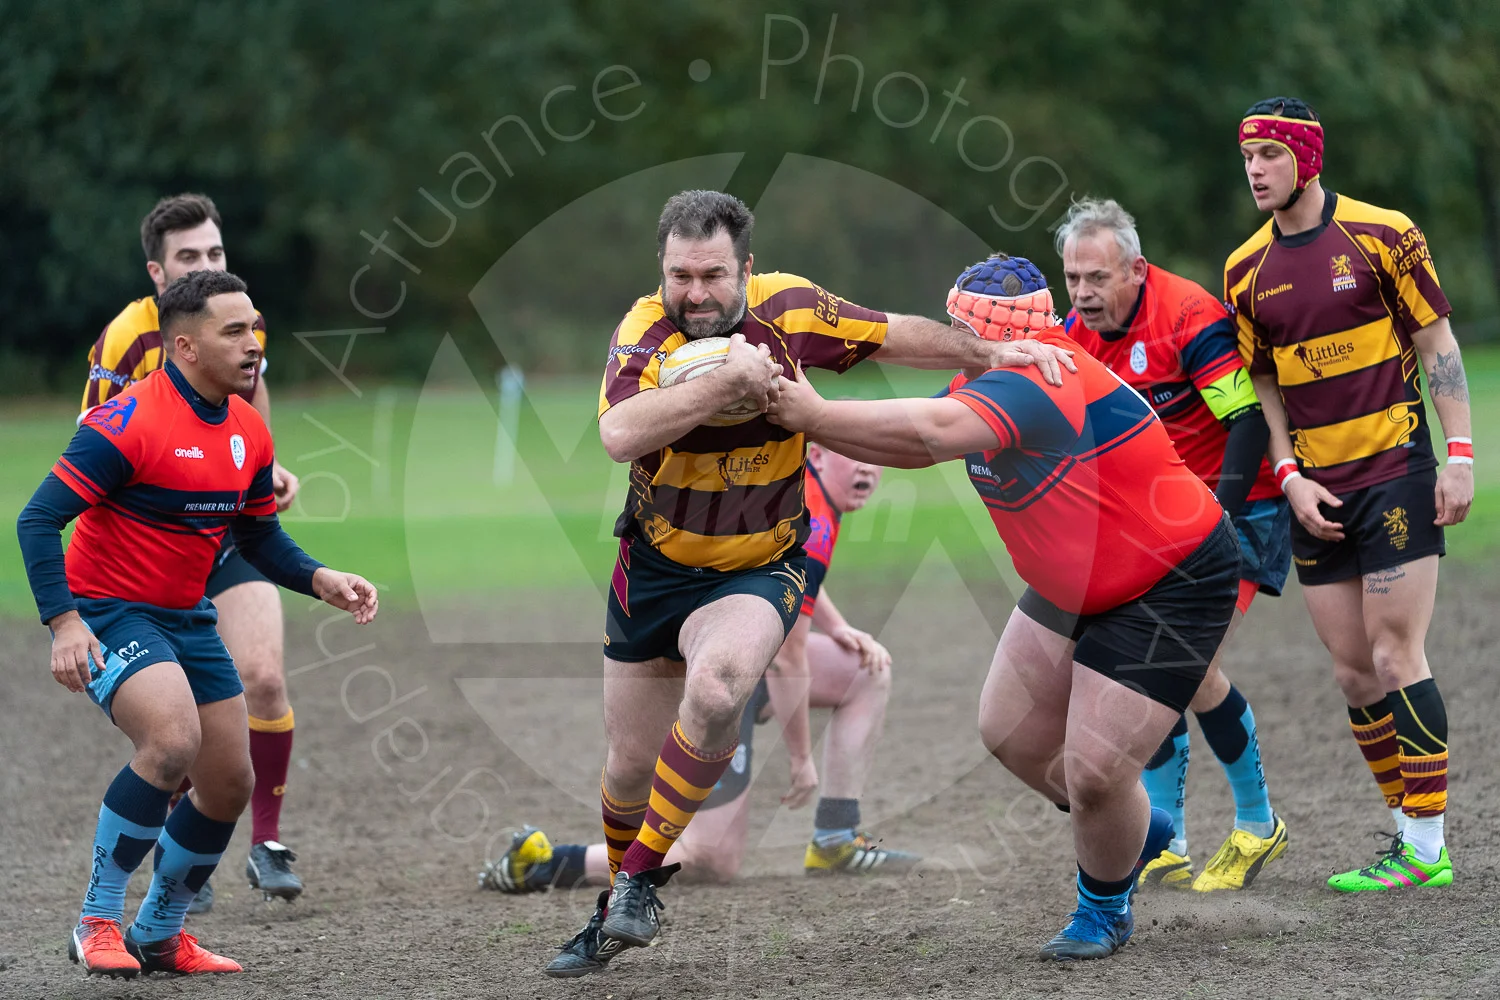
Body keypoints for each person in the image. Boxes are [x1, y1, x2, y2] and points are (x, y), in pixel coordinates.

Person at [546, 189, 1074, 978]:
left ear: (746, 270)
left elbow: (897, 333)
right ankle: (619, 897)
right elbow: (621, 434)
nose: (694, 293)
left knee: (721, 689)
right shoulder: (643, 332)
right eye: (679, 275)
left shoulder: (790, 309)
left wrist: (988, 354)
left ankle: (633, 887)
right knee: (626, 768)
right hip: (653, 570)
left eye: (713, 275)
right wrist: (721, 384)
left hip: (762, 563)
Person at [767, 253, 1241, 961]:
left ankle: (1103, 907)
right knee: (1010, 732)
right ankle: (1131, 832)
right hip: (1074, 580)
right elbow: (922, 418)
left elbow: (927, 439)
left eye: (961, 326)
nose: (957, 338)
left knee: (1093, 770)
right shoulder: (991, 373)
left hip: (1169, 576)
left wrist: (813, 416)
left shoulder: (1039, 378)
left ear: (981, 327)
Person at [16, 270, 378, 978]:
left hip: (187, 616)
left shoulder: (246, 429)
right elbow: (37, 520)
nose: (253, 346)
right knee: (172, 738)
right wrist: (64, 625)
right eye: (235, 332)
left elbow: (260, 537)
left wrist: (318, 578)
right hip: (109, 610)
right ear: (185, 345)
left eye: (256, 329)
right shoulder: (125, 423)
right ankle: (96, 921)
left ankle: (159, 932)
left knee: (229, 781)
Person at [482, 448, 916, 908]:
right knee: (712, 858)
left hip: (726, 654)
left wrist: (836, 626)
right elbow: (788, 657)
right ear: (820, 456)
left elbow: (798, 576)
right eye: (855, 457)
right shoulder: (815, 511)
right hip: (722, 671)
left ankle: (836, 837)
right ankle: (547, 861)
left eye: (875, 457)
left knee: (865, 671)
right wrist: (800, 757)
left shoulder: (805, 491)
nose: (870, 466)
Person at [1226, 97, 1472, 892]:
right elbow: (1261, 381)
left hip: (1394, 473)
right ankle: (1405, 835)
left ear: (1306, 158)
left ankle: (1429, 850)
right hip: (1315, 493)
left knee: (1397, 653)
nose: (1255, 170)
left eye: (1269, 155)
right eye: (1248, 157)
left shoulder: (1382, 234)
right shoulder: (1244, 269)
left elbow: (1436, 341)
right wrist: (1289, 477)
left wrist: (1459, 455)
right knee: (1352, 674)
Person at [1054, 197, 1289, 892]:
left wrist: (1216, 519)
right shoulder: (1075, 334)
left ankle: (1257, 824)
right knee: (1142, 671)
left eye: (1097, 278)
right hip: (1156, 524)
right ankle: (1170, 837)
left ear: (1136, 269)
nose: (1083, 294)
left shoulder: (1188, 317)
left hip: (1240, 509)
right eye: (1072, 279)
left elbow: (1245, 421)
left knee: (1191, 666)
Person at [80, 193, 305, 911]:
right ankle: (166, 855)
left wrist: (264, 476)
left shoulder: (239, 321)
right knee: (176, 721)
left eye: (214, 253)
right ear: (156, 269)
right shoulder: (129, 338)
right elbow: (93, 436)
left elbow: (249, 422)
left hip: (224, 534)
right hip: (151, 549)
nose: (205, 266)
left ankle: (265, 842)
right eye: (188, 257)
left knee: (264, 676)